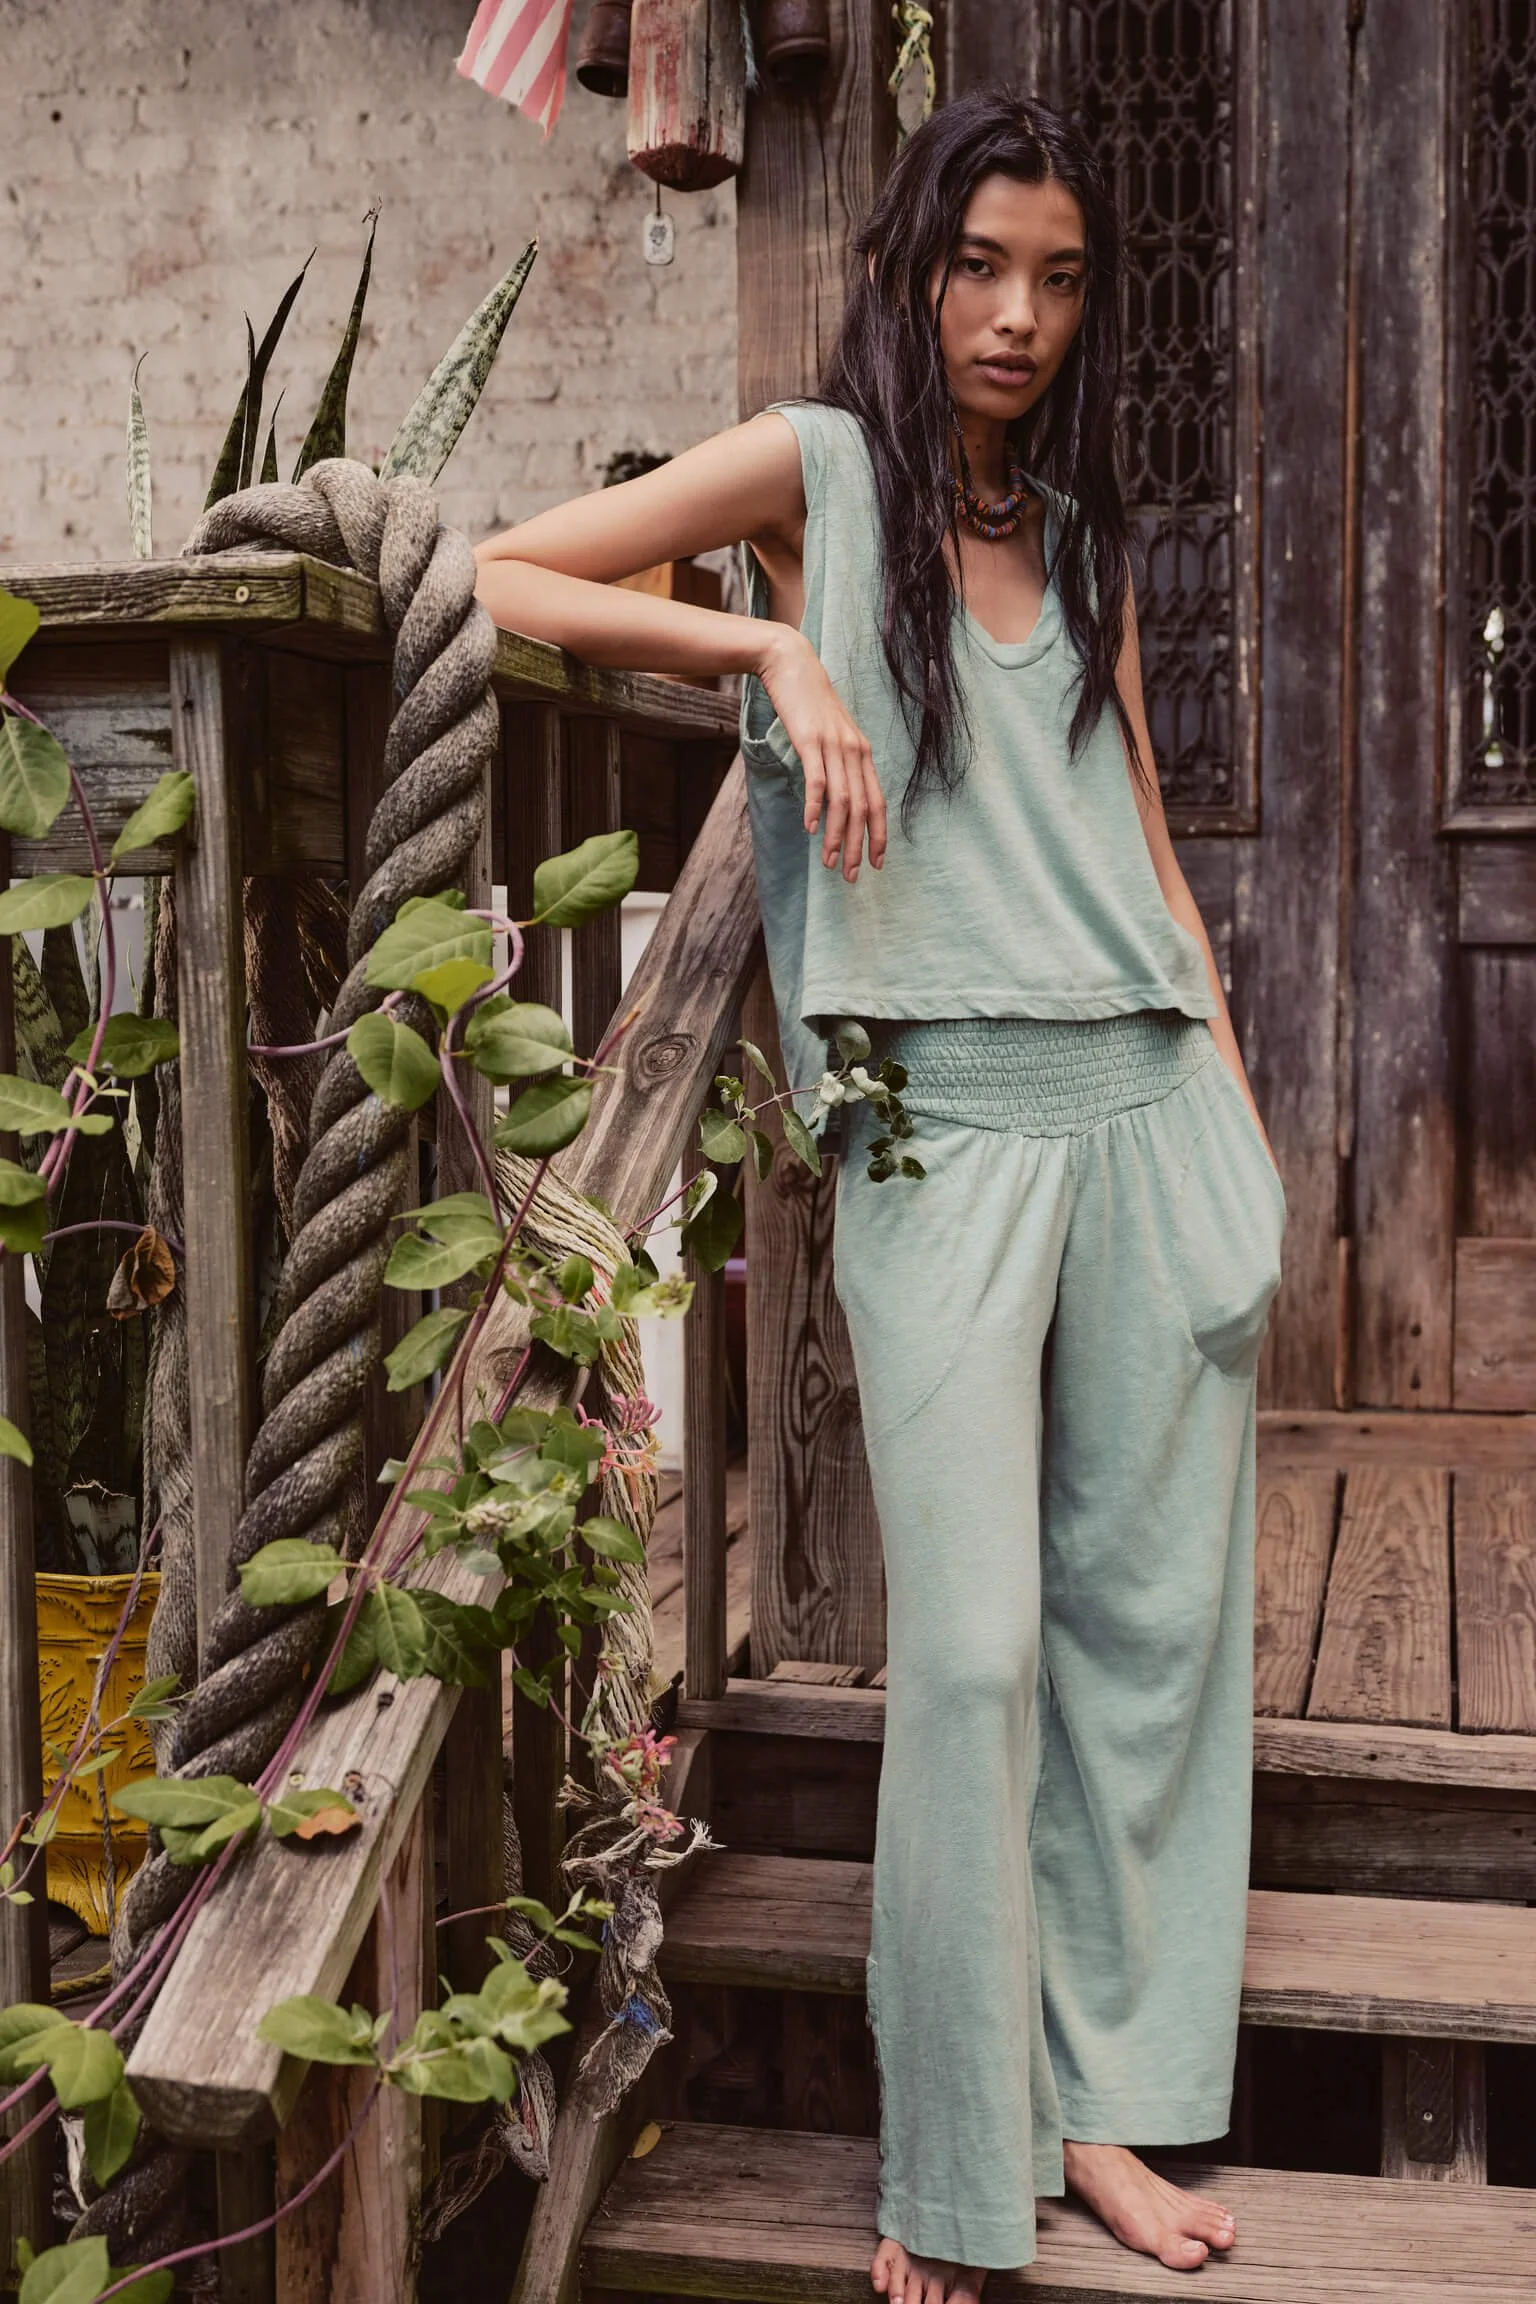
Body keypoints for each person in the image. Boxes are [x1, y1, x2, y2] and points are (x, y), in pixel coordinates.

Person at [475, 85, 1285, 2304]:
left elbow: (1144, 853)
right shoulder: (816, 474)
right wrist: (769, 649)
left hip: (1150, 1114)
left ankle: (1103, 2111)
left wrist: (1234, 1132)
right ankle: (953, 2153)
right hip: (939, 1136)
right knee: (977, 1656)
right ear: (915, 271)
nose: (1017, 315)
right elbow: (512, 568)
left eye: (1059, 279)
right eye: (980, 267)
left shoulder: (1090, 542)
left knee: (1146, 1648)